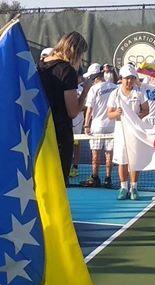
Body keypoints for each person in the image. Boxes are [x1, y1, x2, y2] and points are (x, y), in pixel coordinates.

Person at [37, 32, 90, 184]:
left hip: (40, 133)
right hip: (59, 136)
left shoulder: (41, 66)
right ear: (75, 52)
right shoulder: (67, 71)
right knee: (58, 184)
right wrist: (85, 90)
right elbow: (72, 111)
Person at [107, 65, 148, 200]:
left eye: (132, 78)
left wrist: (136, 119)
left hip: (135, 132)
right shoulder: (115, 93)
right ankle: (124, 187)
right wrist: (116, 113)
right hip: (120, 131)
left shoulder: (139, 93)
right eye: (127, 79)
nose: (129, 81)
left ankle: (134, 188)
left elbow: (146, 110)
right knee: (122, 161)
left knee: (134, 160)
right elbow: (109, 114)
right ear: (121, 79)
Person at [82, 65, 116, 188]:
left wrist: (86, 125)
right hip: (112, 126)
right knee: (109, 154)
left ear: (93, 77)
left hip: (97, 126)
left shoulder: (93, 89)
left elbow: (89, 109)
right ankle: (108, 179)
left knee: (95, 154)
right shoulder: (114, 87)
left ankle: (95, 177)